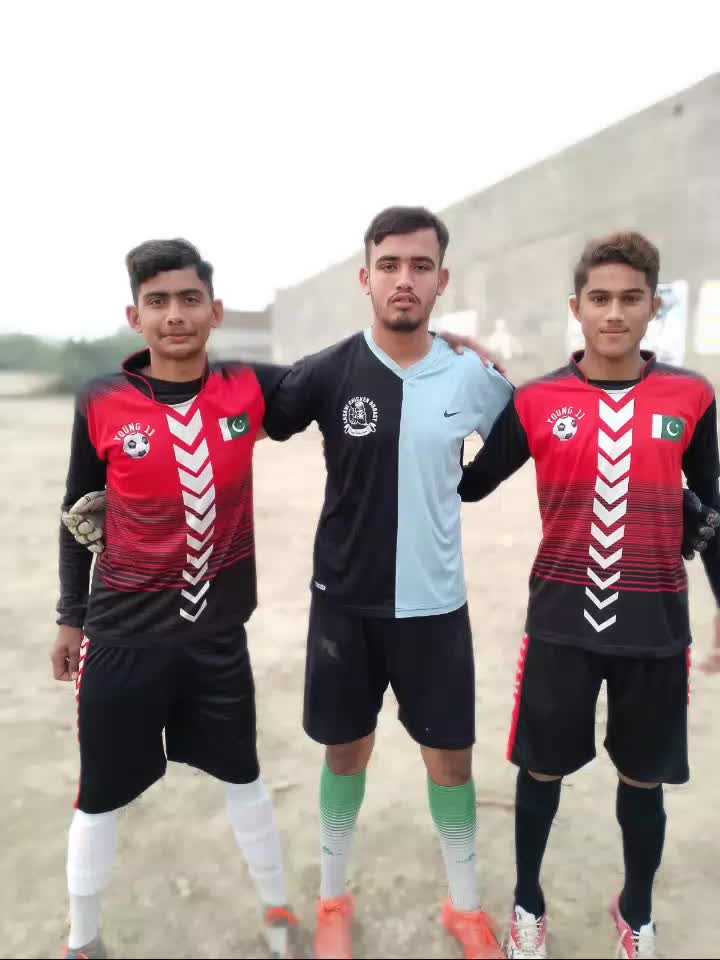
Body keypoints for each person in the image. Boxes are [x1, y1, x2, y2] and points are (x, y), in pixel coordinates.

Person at [253, 205, 513, 960]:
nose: (405, 279)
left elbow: (526, 430)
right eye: (390, 265)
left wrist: (471, 476)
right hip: (346, 607)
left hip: (437, 607)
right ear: (365, 278)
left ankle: (464, 908)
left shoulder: (468, 376)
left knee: (452, 763)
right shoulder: (329, 371)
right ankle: (334, 899)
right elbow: (252, 407)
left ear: (442, 281)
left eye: (420, 266)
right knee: (345, 754)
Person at [458, 231, 720, 959]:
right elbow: (470, 485)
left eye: (631, 298)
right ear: (576, 307)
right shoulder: (538, 400)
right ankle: (527, 905)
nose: (614, 313)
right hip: (561, 624)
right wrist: (450, 408)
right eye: (599, 298)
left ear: (654, 306)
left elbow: (710, 504)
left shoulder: (692, 395)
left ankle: (636, 911)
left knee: (644, 779)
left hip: (655, 626)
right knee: (540, 770)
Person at [52, 239, 308, 959]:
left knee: (245, 778)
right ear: (134, 315)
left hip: (216, 637)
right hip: (123, 638)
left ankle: (278, 912)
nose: (175, 315)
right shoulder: (101, 400)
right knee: (99, 794)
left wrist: (437, 346)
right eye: (158, 301)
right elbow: (77, 512)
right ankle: (82, 939)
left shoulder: (248, 388)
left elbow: (341, 377)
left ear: (215, 311)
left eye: (190, 299)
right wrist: (71, 617)